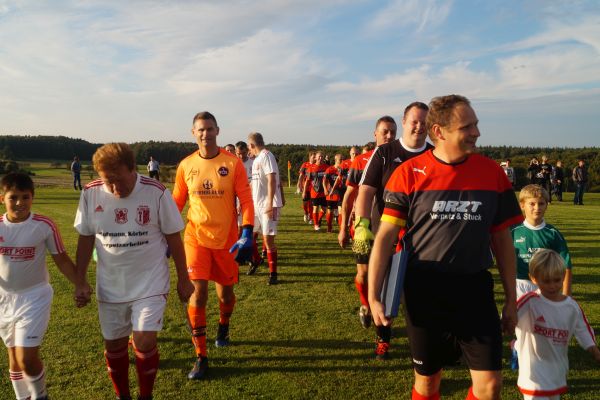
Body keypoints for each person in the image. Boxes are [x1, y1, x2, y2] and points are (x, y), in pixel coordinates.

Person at [369, 95, 523, 399]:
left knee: (490, 386)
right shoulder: (409, 173)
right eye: (467, 127)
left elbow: (503, 240)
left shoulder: (492, 173)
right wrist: (374, 296)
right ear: (439, 131)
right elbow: (385, 237)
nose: (477, 132)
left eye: (476, 124)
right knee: (428, 383)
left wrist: (511, 300)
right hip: (424, 291)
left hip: (474, 290)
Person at [73, 143, 193, 400]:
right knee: (114, 344)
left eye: (120, 180)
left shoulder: (156, 192)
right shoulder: (90, 193)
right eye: (109, 182)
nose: (115, 188)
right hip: (111, 284)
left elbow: (174, 238)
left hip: (150, 283)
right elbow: (85, 238)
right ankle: (123, 395)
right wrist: (79, 280)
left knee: (144, 340)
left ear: (133, 169)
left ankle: (145, 396)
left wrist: (184, 278)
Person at [172, 112, 254, 380]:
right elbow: (176, 203)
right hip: (195, 238)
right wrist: (164, 233)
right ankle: (201, 357)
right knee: (198, 295)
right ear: (193, 133)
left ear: (217, 131)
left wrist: (247, 231)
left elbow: (246, 200)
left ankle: (223, 325)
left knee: (225, 296)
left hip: (226, 242)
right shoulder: (186, 165)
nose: (205, 134)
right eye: (200, 129)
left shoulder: (232, 163)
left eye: (209, 129)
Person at [354, 103, 432, 360]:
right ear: (405, 121)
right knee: (384, 291)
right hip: (386, 234)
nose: (419, 126)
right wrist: (362, 225)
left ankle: (429, 340)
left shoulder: (434, 154)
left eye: (424, 122)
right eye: (414, 121)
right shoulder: (385, 152)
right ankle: (383, 338)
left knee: (421, 294)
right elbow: (365, 191)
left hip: (422, 237)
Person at [0, 172, 79, 400]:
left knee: (26, 357)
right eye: (13, 197)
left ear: (32, 197)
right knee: (13, 356)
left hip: (34, 296)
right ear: (2, 199)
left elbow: (61, 259)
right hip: (4, 299)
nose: (19, 203)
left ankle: (40, 395)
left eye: (25, 197)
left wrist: (80, 284)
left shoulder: (44, 225)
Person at [515, 249, 600, 399]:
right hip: (533, 376)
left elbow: (583, 329)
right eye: (546, 281)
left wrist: (594, 350)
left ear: (563, 277)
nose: (552, 286)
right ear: (533, 278)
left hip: (557, 373)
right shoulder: (529, 302)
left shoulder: (571, 306)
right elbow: (509, 316)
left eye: (557, 280)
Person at [511, 184, 572, 299]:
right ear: (522, 205)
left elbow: (566, 265)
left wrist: (567, 294)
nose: (537, 208)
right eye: (532, 204)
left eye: (541, 203)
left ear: (546, 206)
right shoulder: (513, 232)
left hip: (546, 284)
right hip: (519, 285)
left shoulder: (553, 233)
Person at [247, 132, 284, 285]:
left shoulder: (267, 156)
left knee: (268, 241)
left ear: (251, 145)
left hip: (268, 205)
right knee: (249, 235)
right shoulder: (256, 160)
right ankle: (256, 260)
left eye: (248, 146)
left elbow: (272, 179)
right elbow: (254, 183)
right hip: (256, 205)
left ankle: (273, 274)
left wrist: (269, 202)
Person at [303, 151, 328, 231]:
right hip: (315, 191)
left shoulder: (326, 167)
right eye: (319, 156)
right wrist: (304, 191)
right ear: (316, 158)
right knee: (315, 208)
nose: (320, 158)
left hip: (323, 192)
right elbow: (307, 181)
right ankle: (316, 225)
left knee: (324, 209)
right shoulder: (311, 168)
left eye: (322, 156)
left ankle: (318, 219)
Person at [323, 154, 343, 233]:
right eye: (340, 159)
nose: (342, 161)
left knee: (340, 212)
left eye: (342, 159)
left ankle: (341, 229)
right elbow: (324, 181)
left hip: (341, 193)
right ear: (335, 160)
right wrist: (325, 189)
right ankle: (329, 227)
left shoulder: (344, 169)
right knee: (330, 211)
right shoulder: (329, 169)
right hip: (331, 193)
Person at [297, 151, 316, 223]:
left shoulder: (316, 165)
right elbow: (301, 175)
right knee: (305, 203)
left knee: (311, 203)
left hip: (313, 188)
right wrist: (299, 184)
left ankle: (311, 217)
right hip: (305, 186)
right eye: (313, 157)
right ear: (309, 157)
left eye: (315, 157)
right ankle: (305, 213)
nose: (314, 159)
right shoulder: (305, 165)